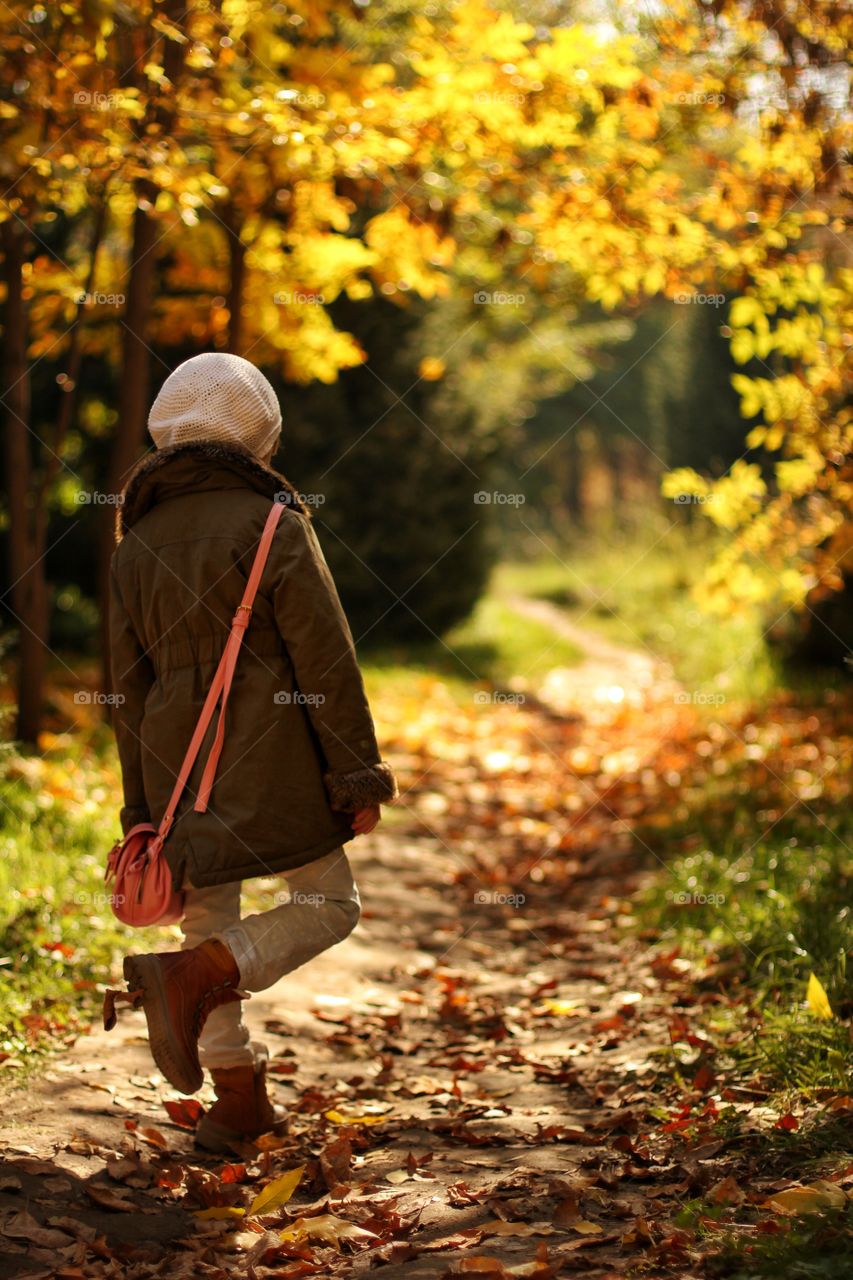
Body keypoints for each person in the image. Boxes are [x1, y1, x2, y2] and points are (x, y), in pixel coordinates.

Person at [106, 352, 397, 1151]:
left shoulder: (134, 545)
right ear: (259, 437)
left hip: (175, 765)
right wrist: (353, 772)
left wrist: (140, 807)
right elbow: (324, 661)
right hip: (273, 755)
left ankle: (237, 1101)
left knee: (206, 911)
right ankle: (204, 975)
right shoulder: (274, 523)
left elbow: (124, 691)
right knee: (328, 904)